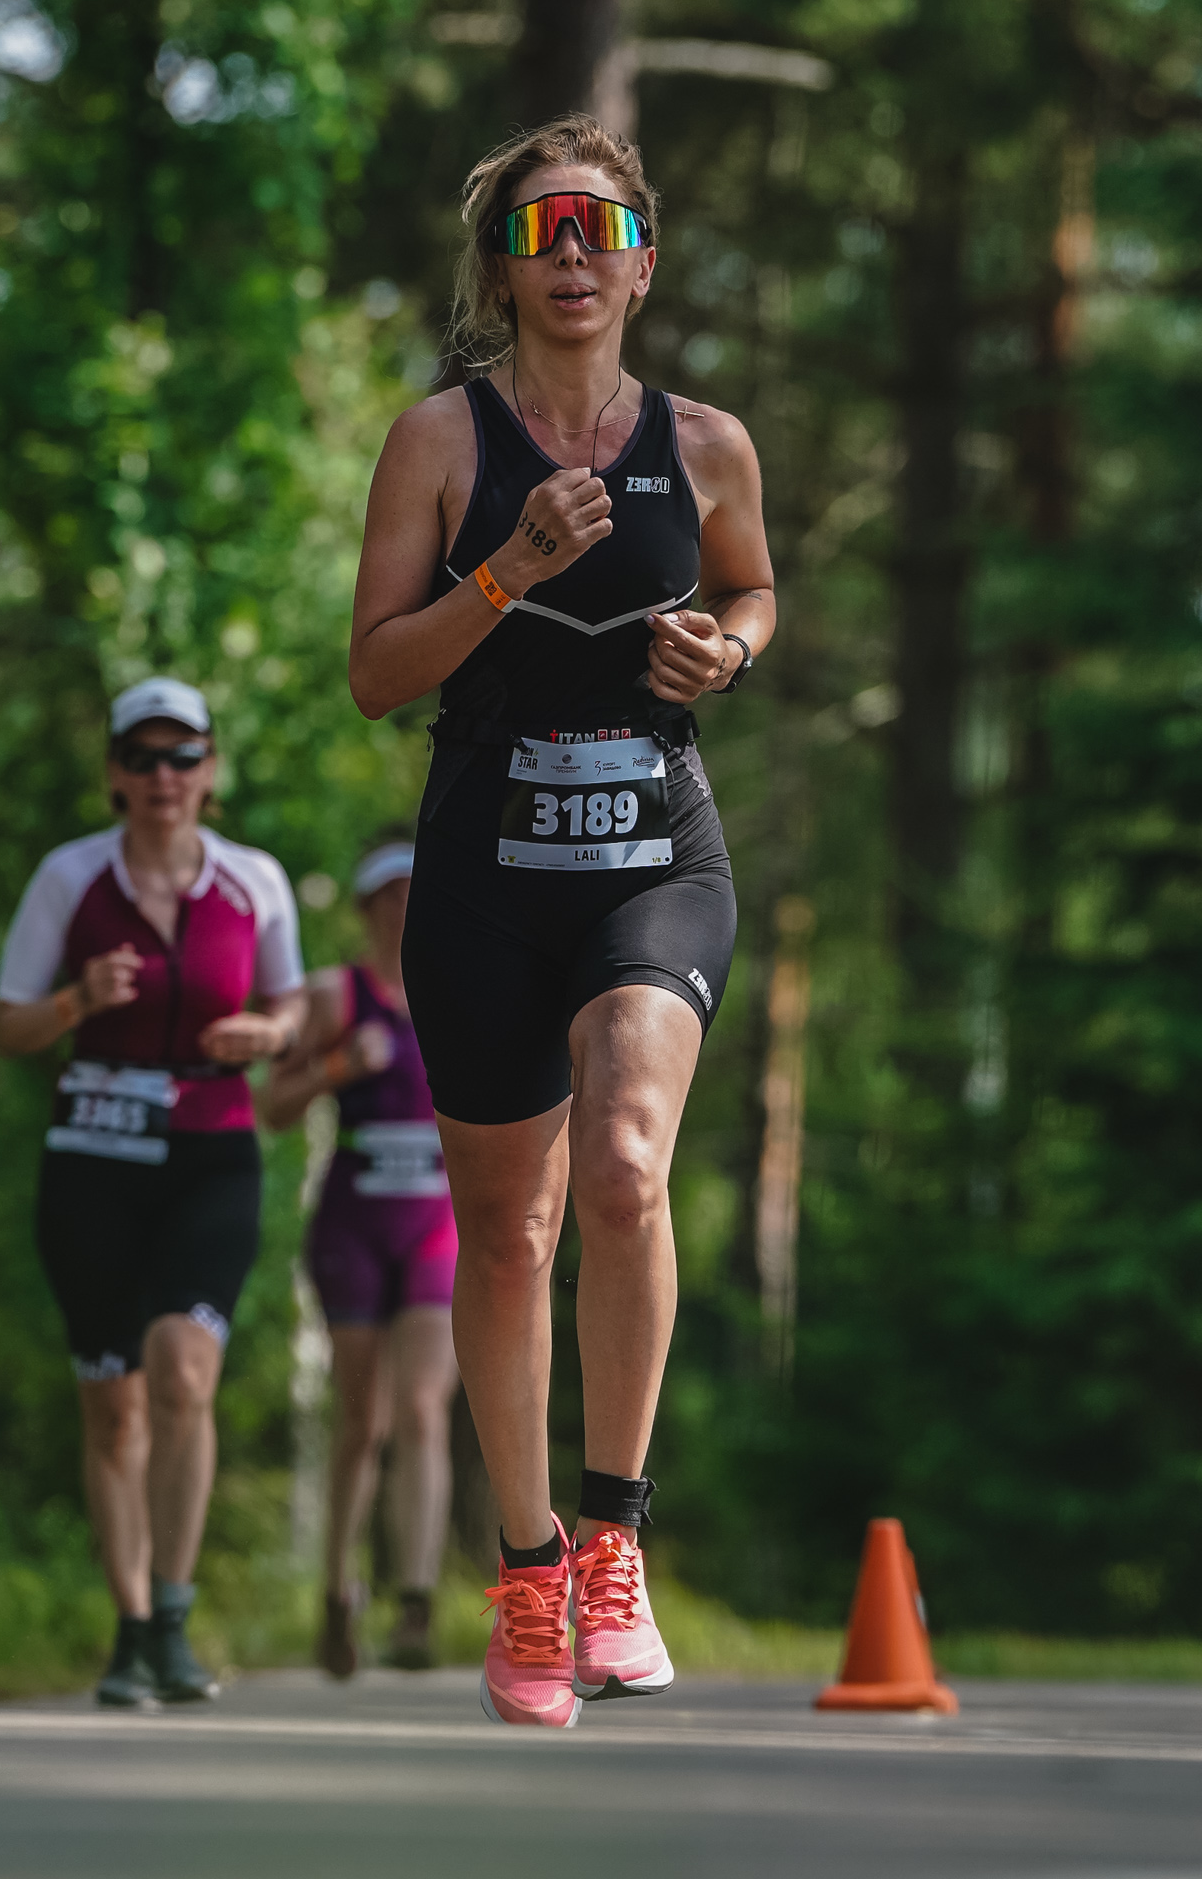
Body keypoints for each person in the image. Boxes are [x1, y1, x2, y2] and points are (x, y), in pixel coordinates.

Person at [347, 115, 779, 1726]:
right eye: (542, 234)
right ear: (503, 271)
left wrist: (725, 655)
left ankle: (615, 1539)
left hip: (654, 850)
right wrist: (506, 575)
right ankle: (526, 1573)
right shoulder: (441, 446)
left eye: (600, 229)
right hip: (484, 870)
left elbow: (753, 590)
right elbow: (377, 674)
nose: (574, 256)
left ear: (645, 262)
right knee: (512, 1228)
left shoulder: (712, 442)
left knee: (624, 1163)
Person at [0, 677, 306, 1709]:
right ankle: (128, 1628)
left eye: (184, 757)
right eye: (144, 758)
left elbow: (290, 1000)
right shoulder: (69, 878)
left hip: (212, 1150)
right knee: (112, 1404)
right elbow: (8, 1026)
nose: (164, 777)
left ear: (211, 770)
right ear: (116, 775)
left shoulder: (254, 880)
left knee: (184, 1367)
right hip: (93, 1156)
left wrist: (267, 1033)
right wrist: (80, 999)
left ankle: (174, 1611)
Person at [258, 836, 460, 1678]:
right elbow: (273, 1103)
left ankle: (415, 1605)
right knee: (361, 1421)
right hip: (351, 1227)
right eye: (390, 894)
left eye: (419, 889)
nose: (407, 906)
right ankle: (339, 1591)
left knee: (422, 1409)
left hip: (437, 1229)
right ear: (368, 908)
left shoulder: (466, 988)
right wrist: (339, 1065)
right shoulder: (336, 995)